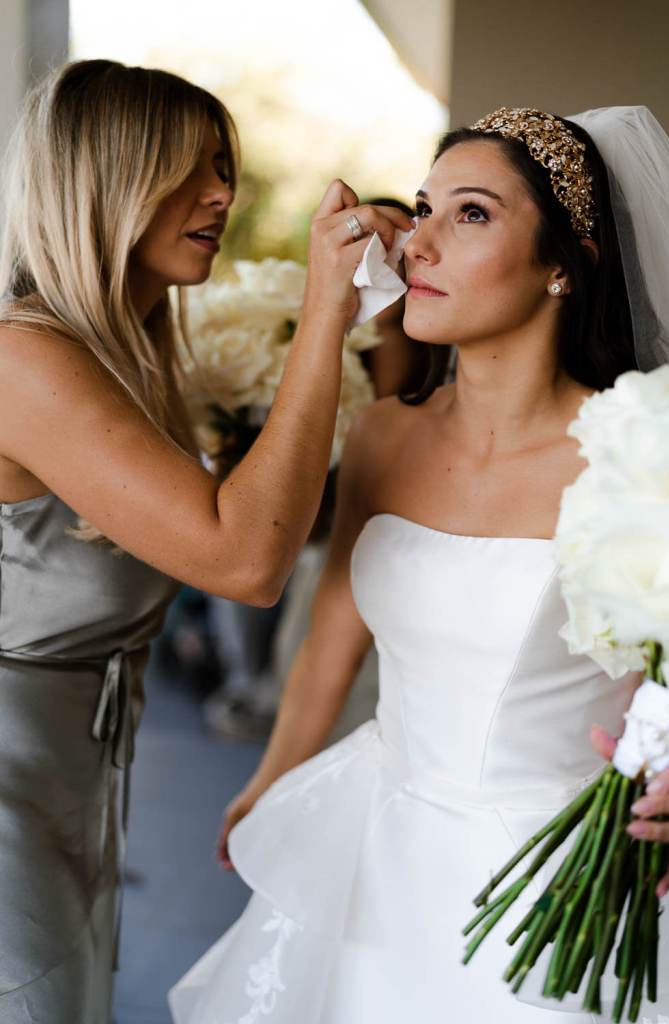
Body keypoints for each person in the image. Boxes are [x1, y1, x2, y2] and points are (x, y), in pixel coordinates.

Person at [169, 107, 669, 1023]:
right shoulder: (381, 433)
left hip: (559, 871)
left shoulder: (646, 450)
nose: (419, 244)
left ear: (567, 262)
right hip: (377, 839)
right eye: (421, 207)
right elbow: (332, 634)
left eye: (472, 214)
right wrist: (270, 778)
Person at [0, 59, 412, 1024]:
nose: (224, 195)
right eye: (188, 170)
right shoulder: (23, 358)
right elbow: (244, 562)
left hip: (72, 780)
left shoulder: (127, 361)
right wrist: (324, 312)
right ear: (103, 183)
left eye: (223, 168)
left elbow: (276, 527)